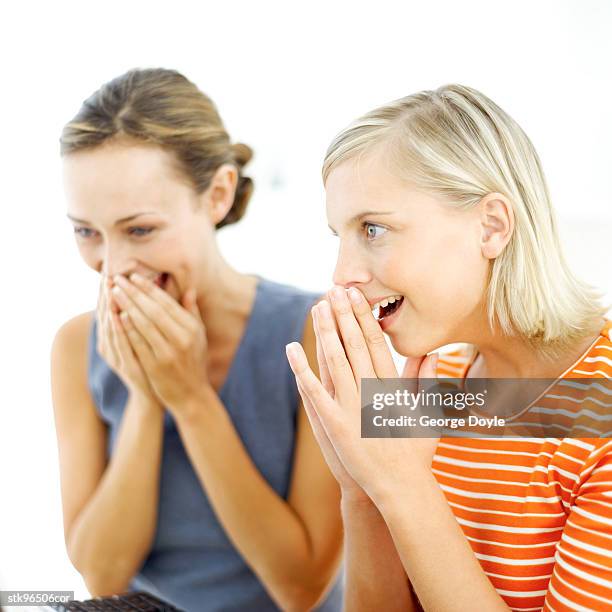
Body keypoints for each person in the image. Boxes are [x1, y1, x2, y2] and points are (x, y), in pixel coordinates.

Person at [285, 84, 612, 611]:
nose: (342, 275)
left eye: (374, 228)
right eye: (339, 236)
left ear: (491, 227)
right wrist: (361, 488)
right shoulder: (435, 390)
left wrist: (400, 482)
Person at [51, 68, 343, 612]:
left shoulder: (315, 331)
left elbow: (301, 588)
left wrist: (188, 398)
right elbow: (104, 579)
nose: (112, 269)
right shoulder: (76, 348)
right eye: (87, 232)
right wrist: (144, 396)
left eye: (140, 230)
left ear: (217, 195)